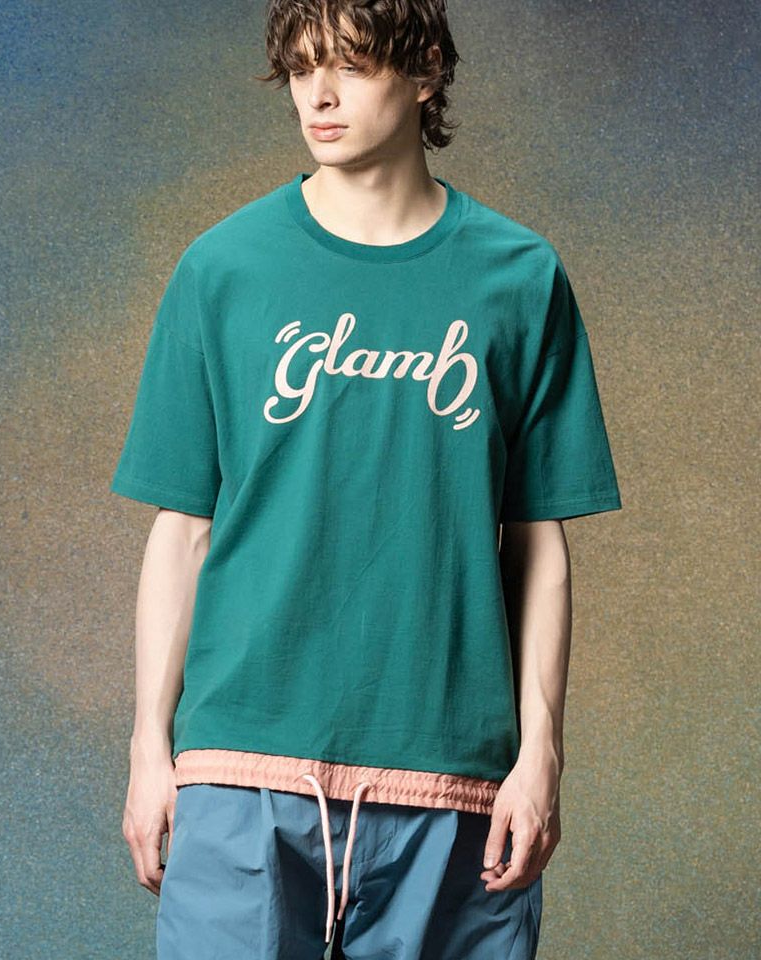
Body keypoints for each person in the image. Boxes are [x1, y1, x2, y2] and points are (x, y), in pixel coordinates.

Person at [110, 2, 623, 958]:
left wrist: (540, 755)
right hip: (240, 768)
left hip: (451, 778)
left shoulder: (519, 277)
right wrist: (149, 749)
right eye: (302, 68)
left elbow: (539, 543)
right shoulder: (222, 269)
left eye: (349, 64)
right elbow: (182, 532)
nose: (319, 94)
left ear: (425, 73)